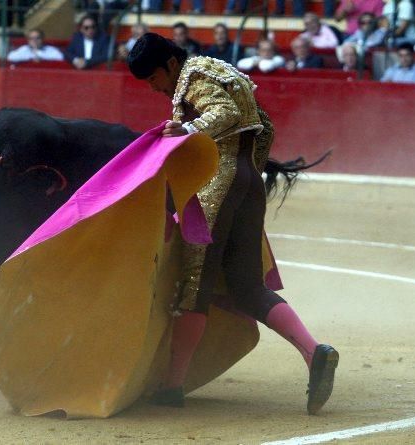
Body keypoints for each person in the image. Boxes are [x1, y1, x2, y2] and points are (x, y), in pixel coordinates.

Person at [127, 32, 338, 414]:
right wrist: (246, 175)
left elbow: (224, 113)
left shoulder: (192, 78)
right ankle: (314, 352)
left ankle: (172, 386)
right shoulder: (223, 70)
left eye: (153, 78)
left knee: (195, 283)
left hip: (215, 186)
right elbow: (265, 128)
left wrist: (187, 131)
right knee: (246, 286)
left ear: (170, 64)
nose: (154, 88)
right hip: (247, 183)